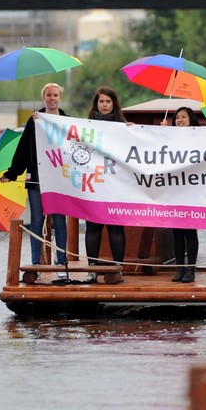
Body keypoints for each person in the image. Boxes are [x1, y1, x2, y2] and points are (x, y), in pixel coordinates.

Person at [1, 83, 69, 280]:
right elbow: (23, 149)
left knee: (59, 222)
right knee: (37, 220)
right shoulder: (34, 120)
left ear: (60, 97)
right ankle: (36, 264)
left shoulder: (67, 121)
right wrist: (12, 173)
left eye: (55, 95)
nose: (52, 98)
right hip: (36, 176)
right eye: (48, 95)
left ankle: (62, 263)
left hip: (59, 178)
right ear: (43, 97)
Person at [83, 86, 128, 284]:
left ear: (113, 104)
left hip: (115, 182)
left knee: (115, 227)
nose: (104, 105)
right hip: (94, 181)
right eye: (101, 101)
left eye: (108, 102)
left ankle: (118, 268)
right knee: (93, 226)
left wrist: (134, 131)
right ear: (96, 104)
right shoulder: (86, 126)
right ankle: (91, 268)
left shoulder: (123, 126)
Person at [168, 106, 200, 283]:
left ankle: (191, 269)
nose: (180, 120)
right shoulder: (169, 136)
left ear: (191, 120)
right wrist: (160, 133)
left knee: (190, 230)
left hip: (192, 189)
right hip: (174, 189)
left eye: (184, 117)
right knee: (177, 231)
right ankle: (179, 268)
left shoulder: (199, 137)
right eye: (177, 117)